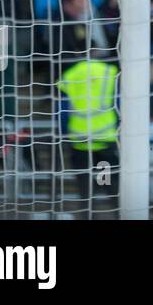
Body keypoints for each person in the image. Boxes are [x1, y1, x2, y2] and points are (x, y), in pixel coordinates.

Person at [58, 49, 120, 213]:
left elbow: (62, 110)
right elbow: (118, 104)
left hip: (79, 143)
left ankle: (87, 216)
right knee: (107, 184)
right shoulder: (110, 73)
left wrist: (64, 134)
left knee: (84, 190)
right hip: (104, 142)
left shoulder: (71, 74)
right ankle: (116, 215)